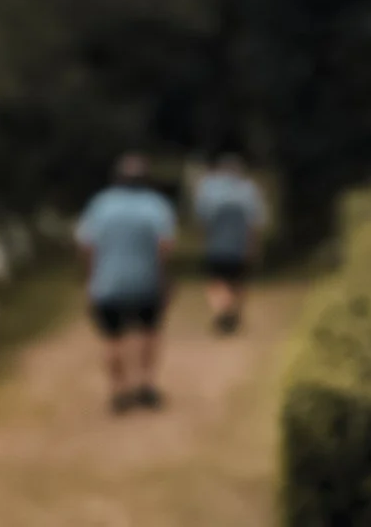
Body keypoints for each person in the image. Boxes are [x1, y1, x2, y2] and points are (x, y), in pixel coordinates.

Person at [75, 153, 177, 414]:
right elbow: (164, 245)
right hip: (147, 282)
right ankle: (146, 385)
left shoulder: (100, 204)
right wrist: (164, 277)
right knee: (149, 333)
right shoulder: (156, 205)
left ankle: (119, 390)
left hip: (107, 284)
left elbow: (87, 245)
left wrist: (91, 277)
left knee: (112, 339)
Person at [193, 153, 266, 335]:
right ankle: (232, 313)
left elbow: (202, 221)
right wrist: (254, 246)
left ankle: (225, 310)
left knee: (217, 283)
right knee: (238, 283)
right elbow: (254, 223)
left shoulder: (209, 189)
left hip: (216, 246)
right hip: (240, 247)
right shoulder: (248, 190)